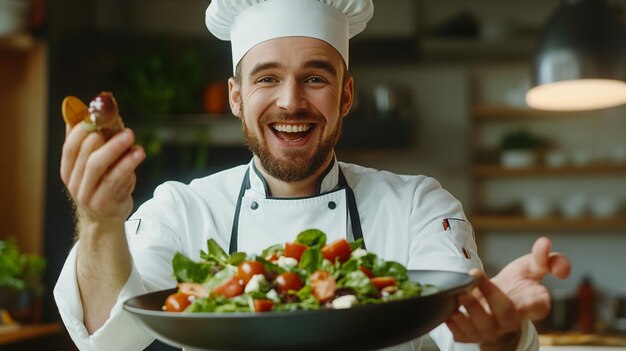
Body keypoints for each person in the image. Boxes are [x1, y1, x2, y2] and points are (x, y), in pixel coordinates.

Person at [54, 0, 571, 350]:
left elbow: (465, 339)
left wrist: (500, 332)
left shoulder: (417, 206)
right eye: (267, 78)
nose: (290, 101)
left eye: (315, 77)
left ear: (346, 95)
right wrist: (100, 223)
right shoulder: (182, 210)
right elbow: (110, 338)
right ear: (236, 97)